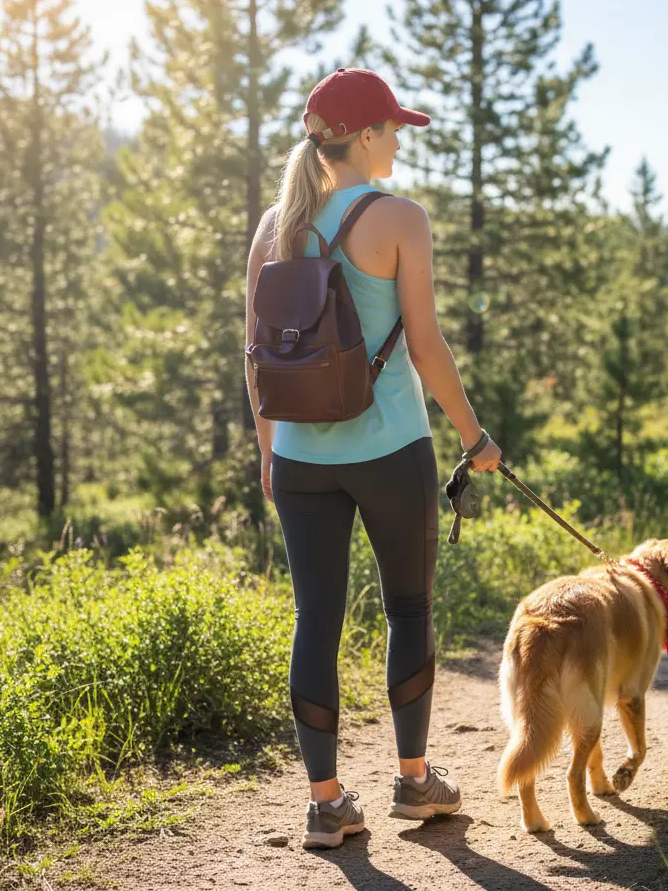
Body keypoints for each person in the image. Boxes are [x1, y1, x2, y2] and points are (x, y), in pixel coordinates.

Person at [244, 68, 502, 849]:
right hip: (391, 447)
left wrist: (269, 450)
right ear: (363, 137)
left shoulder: (273, 225)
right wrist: (473, 436)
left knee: (314, 619)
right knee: (409, 610)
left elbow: (254, 353)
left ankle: (326, 804)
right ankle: (415, 783)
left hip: (298, 458)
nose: (398, 142)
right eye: (392, 129)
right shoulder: (400, 219)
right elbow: (425, 345)